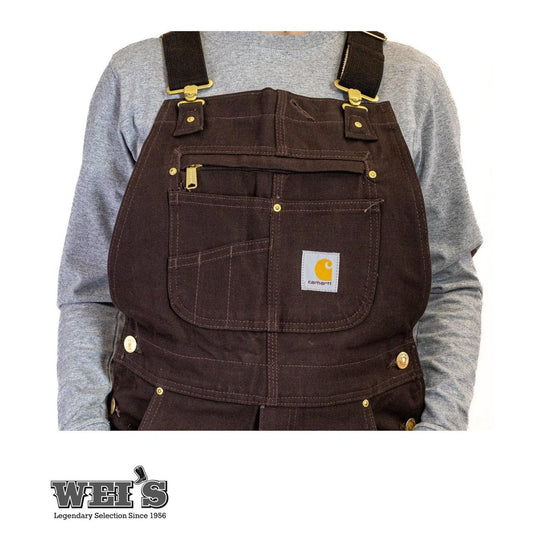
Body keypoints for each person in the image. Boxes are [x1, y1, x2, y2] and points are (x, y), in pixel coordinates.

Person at [57, 31, 482, 430]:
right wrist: (84, 434)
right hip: (167, 441)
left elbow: (449, 283)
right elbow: (90, 287)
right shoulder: (136, 74)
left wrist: (441, 432)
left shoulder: (412, 81)